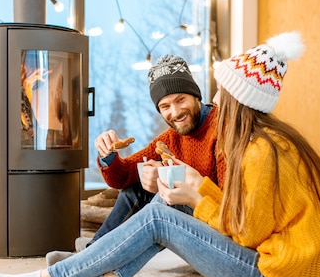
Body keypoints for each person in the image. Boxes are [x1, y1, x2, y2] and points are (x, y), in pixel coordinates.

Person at [0, 31, 320, 277]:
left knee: (161, 216)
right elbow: (128, 175)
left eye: (220, 95)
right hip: (290, 274)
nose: (215, 102)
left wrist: (197, 193)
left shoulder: (259, 151)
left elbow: (247, 233)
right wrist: (116, 161)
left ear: (238, 103)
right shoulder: (271, 140)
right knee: (159, 203)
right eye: (165, 105)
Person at [50, 54, 224, 263]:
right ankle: (93, 254)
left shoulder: (221, 129)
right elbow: (123, 176)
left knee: (162, 195)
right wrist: (108, 154)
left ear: (197, 96)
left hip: (216, 229)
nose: (176, 112)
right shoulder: (169, 139)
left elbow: (227, 202)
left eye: (181, 100)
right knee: (137, 186)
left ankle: (91, 259)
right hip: (190, 224)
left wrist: (168, 178)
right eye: (165, 106)